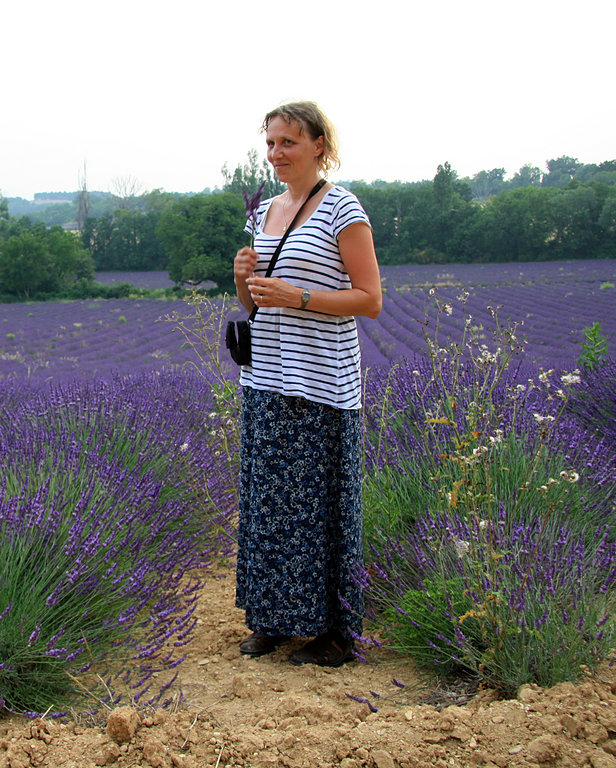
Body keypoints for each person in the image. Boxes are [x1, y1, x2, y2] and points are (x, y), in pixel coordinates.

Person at [232, 101, 382, 666]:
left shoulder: (342, 208)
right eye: (270, 144)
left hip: (321, 384)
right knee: (269, 505)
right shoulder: (264, 211)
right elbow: (252, 305)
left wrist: (298, 296)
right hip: (265, 378)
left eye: (287, 143)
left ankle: (335, 634)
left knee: (317, 508)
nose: (276, 154)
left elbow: (370, 300)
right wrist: (245, 279)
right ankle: (272, 619)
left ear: (319, 144)